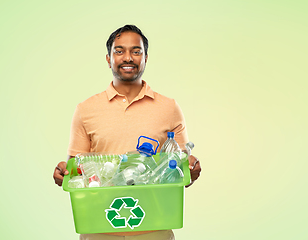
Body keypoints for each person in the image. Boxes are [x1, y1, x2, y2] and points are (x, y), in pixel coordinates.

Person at [53, 25, 201, 240]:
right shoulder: (86, 109)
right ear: (108, 58)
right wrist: (63, 172)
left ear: (146, 57)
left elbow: (179, 172)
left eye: (136, 51)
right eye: (119, 51)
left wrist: (192, 170)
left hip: (155, 226)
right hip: (99, 226)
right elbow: (77, 169)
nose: (128, 57)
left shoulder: (169, 108)